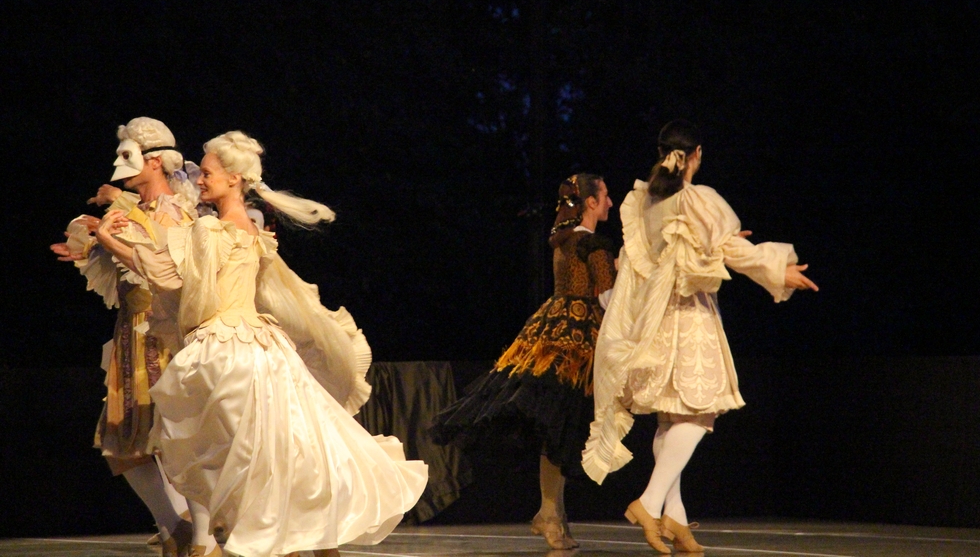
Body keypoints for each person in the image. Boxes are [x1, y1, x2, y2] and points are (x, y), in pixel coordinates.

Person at [95, 131, 427, 557]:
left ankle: (270, 540)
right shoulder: (250, 230)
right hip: (261, 348)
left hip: (226, 351)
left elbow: (171, 279)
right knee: (281, 450)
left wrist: (111, 240)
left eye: (208, 172)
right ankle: (313, 542)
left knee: (247, 457)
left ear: (234, 178)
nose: (199, 179)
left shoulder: (213, 229)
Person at [582, 120, 818, 553]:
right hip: (688, 316)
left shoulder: (644, 201)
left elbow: (669, 253)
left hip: (656, 317)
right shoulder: (695, 198)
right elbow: (729, 250)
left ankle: (673, 514)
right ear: (696, 155)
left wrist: (717, 244)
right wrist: (776, 268)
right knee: (700, 410)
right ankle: (649, 502)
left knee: (670, 417)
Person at [431, 174, 616, 549]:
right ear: (592, 202)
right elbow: (608, 301)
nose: (611, 203)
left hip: (550, 328)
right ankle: (550, 513)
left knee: (557, 426)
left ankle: (553, 514)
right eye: (606, 196)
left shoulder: (563, 241)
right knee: (560, 424)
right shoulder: (593, 244)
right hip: (577, 341)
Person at [50, 117, 202, 557]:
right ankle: (174, 525)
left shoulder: (177, 209)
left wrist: (122, 207)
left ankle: (202, 535)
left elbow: (165, 260)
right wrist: (89, 243)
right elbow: (119, 255)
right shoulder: (128, 211)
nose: (120, 166)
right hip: (130, 334)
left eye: (130, 156)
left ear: (154, 162)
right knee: (123, 440)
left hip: (165, 331)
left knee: (177, 436)